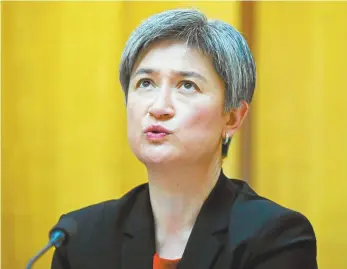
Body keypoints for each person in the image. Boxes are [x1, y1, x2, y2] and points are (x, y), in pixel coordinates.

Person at [51, 8, 317, 269]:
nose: (158, 107)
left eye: (187, 86)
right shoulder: (79, 238)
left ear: (233, 118)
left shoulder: (275, 238)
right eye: (145, 83)